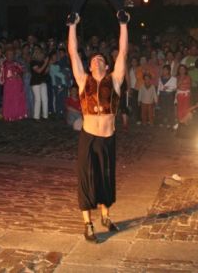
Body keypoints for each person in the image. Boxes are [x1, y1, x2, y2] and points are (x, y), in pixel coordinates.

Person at [67, 14, 128, 242]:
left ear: (106, 64)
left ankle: (105, 216)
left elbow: (122, 52)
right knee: (86, 177)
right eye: (93, 60)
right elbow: (73, 53)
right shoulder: (83, 80)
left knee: (106, 177)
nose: (95, 61)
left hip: (108, 137)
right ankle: (88, 223)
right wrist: (72, 26)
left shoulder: (115, 80)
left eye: (100, 59)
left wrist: (123, 24)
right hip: (89, 137)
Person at [0, 47, 27, 122]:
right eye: (8, 54)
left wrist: (18, 74)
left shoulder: (16, 63)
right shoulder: (3, 64)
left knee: (17, 99)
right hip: (8, 84)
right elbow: (2, 75)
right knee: (8, 99)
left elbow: (22, 71)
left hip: (17, 83)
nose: (10, 55)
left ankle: (18, 114)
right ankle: (9, 115)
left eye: (11, 54)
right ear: (6, 55)